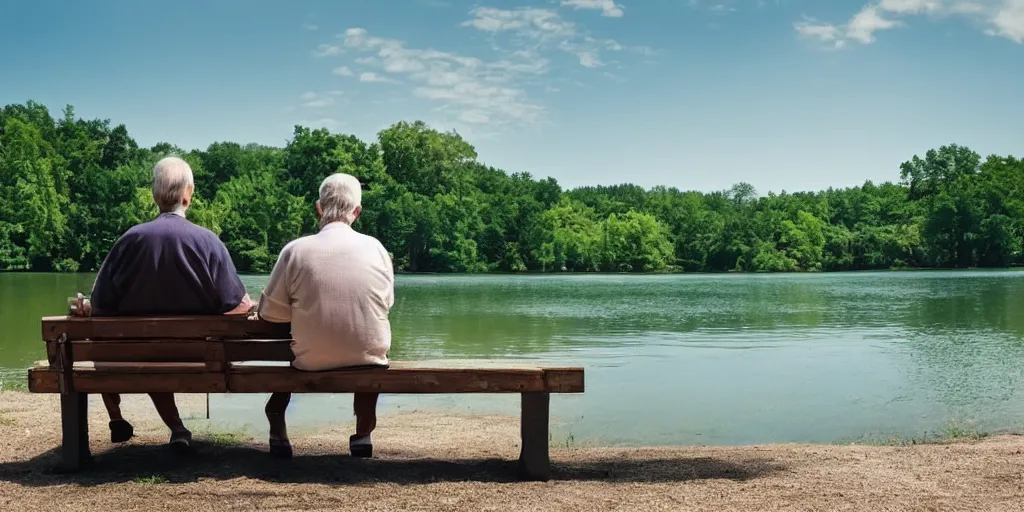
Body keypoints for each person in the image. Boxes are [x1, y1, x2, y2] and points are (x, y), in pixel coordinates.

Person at [71, 156, 255, 452]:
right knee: (159, 349)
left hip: (135, 355)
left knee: (138, 347)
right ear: (189, 193)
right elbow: (235, 306)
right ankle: (178, 429)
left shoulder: (130, 240)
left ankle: (139, 420)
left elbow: (102, 305)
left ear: (155, 195)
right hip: (200, 357)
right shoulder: (208, 242)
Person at [256, 173, 394, 459]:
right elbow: (385, 303)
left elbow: (269, 315)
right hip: (369, 361)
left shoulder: (295, 250)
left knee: (293, 331)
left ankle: (277, 420)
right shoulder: (377, 249)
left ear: (319, 207)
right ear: (357, 211)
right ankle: (363, 432)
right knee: (367, 340)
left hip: (310, 361)